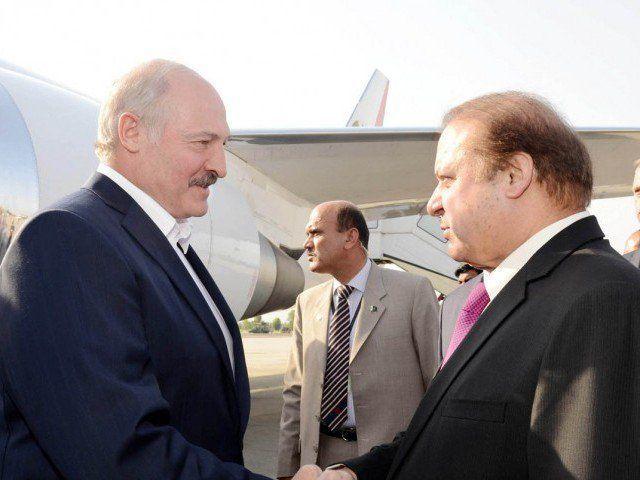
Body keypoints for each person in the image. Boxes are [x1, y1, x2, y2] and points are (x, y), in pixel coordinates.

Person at [295, 92, 640, 480]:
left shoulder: (602, 298)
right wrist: (356, 475)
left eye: (447, 179)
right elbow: (447, 436)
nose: (433, 204)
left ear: (514, 175)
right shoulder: (488, 298)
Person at [0, 60, 270, 479]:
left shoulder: (159, 240)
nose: (221, 166)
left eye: (222, 145)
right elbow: (120, 458)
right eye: (202, 142)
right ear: (131, 133)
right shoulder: (67, 239)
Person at [277, 201, 439, 478]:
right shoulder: (308, 303)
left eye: (315, 233)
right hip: (320, 462)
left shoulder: (413, 292)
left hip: (387, 461)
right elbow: (295, 391)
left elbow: (436, 383)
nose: (307, 244)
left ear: (351, 237)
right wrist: (287, 469)